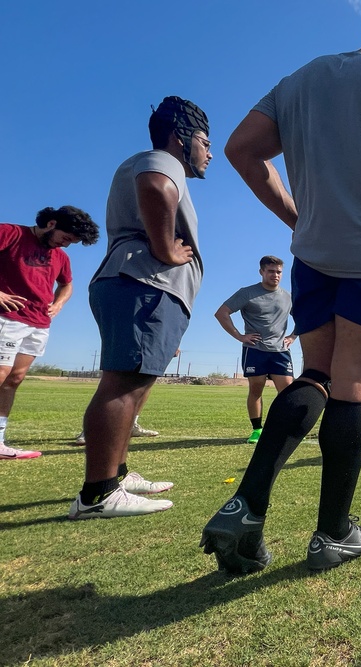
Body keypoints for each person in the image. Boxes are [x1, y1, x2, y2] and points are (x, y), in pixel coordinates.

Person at [201, 22, 361, 574]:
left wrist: (296, 216)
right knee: (355, 382)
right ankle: (333, 533)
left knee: (315, 373)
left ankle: (245, 506)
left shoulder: (301, 78)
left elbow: (242, 150)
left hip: (313, 255)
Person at [68, 96, 212, 519]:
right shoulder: (160, 160)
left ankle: (118, 473)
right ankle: (97, 494)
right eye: (205, 140)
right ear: (180, 139)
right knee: (123, 383)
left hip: (147, 287)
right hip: (143, 284)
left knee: (137, 383)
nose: (210, 152)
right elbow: (155, 185)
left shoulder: (161, 162)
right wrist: (166, 249)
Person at [0, 207, 100, 460]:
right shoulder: (10, 233)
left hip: (38, 323)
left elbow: (67, 284)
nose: (65, 245)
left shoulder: (61, 257)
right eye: (65, 238)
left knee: (15, 378)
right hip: (7, 317)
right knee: (0, 373)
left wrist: (59, 303)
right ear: (51, 223)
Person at [215, 255, 295, 444]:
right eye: (271, 271)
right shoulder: (247, 293)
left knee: (288, 392)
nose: (275, 275)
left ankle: (283, 428)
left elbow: (304, 316)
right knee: (256, 389)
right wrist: (239, 336)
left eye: (278, 272)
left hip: (280, 352)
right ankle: (257, 430)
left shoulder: (288, 296)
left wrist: (293, 336)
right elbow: (221, 313)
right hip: (255, 350)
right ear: (261, 272)